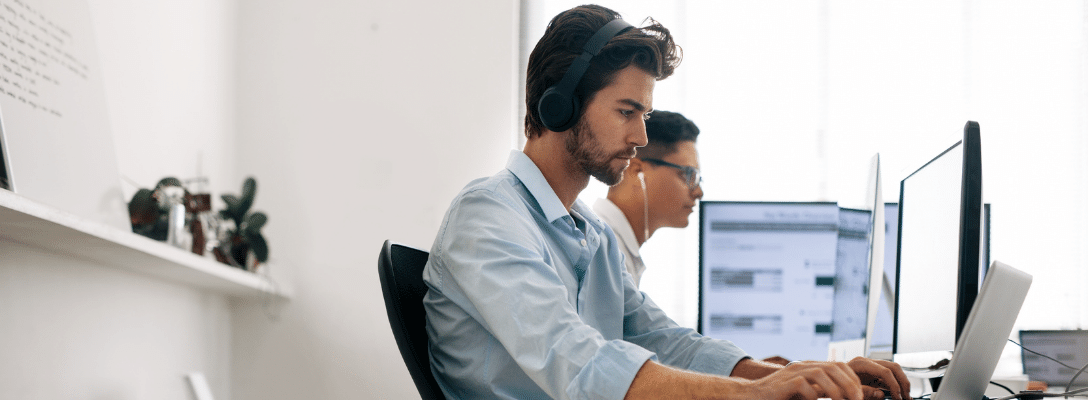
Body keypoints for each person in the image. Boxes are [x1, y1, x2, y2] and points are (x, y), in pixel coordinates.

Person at [422, 5, 910, 400]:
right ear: (560, 107)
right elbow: (581, 366)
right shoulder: (488, 218)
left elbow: (663, 340)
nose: (640, 136)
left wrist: (796, 376)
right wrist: (756, 394)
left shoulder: (589, 234)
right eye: (627, 112)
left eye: (645, 114)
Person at [591, 110, 702, 287]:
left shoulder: (616, 247)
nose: (698, 192)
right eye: (688, 175)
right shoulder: (599, 249)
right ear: (637, 172)